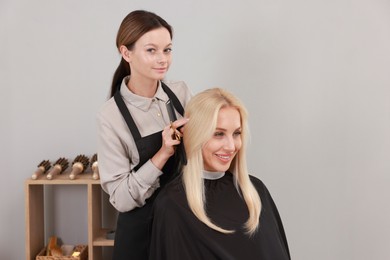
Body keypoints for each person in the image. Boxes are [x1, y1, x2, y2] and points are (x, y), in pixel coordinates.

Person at [149, 88, 291, 260]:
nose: (231, 146)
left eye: (237, 133)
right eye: (218, 134)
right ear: (195, 135)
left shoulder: (255, 191)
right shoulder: (172, 204)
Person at [96, 10, 192, 260]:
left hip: (182, 226)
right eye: (151, 50)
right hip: (142, 238)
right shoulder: (111, 117)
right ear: (126, 53)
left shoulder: (180, 93)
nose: (163, 59)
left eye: (167, 50)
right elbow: (121, 199)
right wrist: (163, 153)